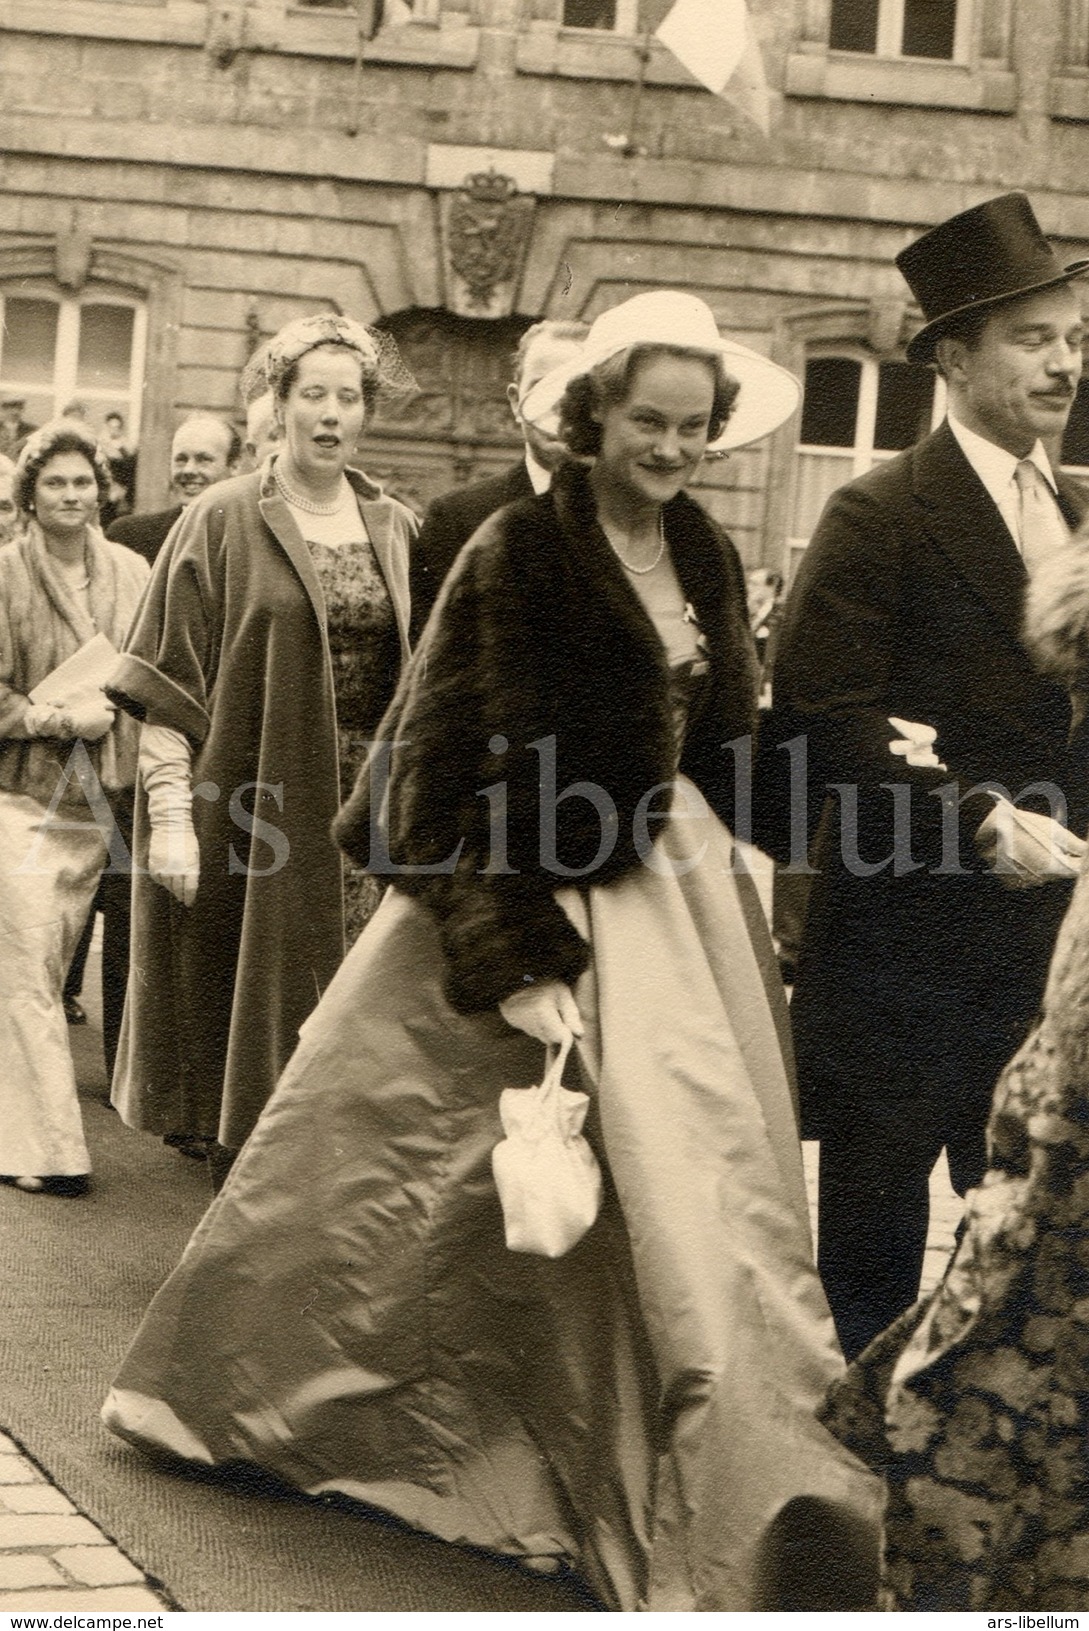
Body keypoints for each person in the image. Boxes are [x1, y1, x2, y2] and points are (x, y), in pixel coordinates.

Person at [103, 291, 881, 1610]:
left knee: (671, 1209)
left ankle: (643, 1465)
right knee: (412, 1201)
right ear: (592, 419)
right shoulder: (518, 547)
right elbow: (424, 777)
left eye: (696, 426)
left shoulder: (698, 549)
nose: (673, 447)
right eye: (649, 421)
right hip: (514, 902)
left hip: (676, 914)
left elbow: (727, 752)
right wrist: (513, 954)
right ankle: (311, 1415)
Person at [761, 191, 1089, 1363]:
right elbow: (824, 717)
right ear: (952, 356)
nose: (1065, 364)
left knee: (1031, 1249)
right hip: (903, 950)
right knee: (874, 1257)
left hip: (1045, 962)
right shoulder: (875, 512)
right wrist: (977, 821)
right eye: (1033, 338)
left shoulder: (1078, 510)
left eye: (1074, 338)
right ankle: (850, 1490)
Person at [819, 535, 1089, 1611]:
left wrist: (1015, 1188)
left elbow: (1060, 1085)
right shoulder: (880, 518)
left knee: (956, 1437)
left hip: (1049, 1211)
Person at [106, 312, 417, 1184]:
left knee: (357, 1068)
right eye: (311, 394)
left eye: (348, 397)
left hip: (368, 833)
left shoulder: (395, 525)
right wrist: (170, 820)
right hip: (257, 820)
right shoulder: (220, 517)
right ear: (276, 406)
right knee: (252, 1073)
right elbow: (167, 682)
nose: (331, 414)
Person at [0, 419, 148, 1194]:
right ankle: (47, 1150)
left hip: (102, 799)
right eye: (54, 482)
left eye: (82, 481)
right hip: (19, 798)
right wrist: (56, 719)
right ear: (30, 494)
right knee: (26, 963)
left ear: (102, 490)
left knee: (48, 967)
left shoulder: (130, 570)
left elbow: (153, 669)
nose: (71, 494)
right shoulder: (4, 575)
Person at [408, 319, 587, 640]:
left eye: (575, 389)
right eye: (542, 387)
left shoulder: (636, 517)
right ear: (516, 402)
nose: (559, 406)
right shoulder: (456, 519)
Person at [106, 413, 241, 566]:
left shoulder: (252, 541)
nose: (188, 470)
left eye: (204, 460)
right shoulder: (130, 537)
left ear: (234, 467)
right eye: (181, 459)